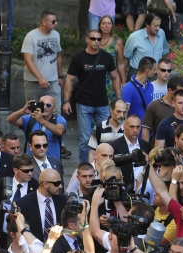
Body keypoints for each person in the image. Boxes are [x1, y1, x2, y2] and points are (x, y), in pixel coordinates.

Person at [63, 30, 120, 162]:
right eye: (93, 39)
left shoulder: (106, 57)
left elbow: (115, 77)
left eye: (99, 39)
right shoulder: (78, 58)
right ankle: (85, 167)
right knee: (84, 139)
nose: (96, 41)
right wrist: (66, 101)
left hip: (102, 103)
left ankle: (105, 165)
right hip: (84, 103)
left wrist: (119, 99)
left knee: (107, 137)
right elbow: (69, 79)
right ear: (87, 39)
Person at [21, 11, 63, 115]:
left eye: (56, 21)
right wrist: (40, 78)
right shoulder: (31, 36)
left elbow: (58, 56)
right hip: (34, 83)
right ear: (44, 22)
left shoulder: (56, 35)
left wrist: (60, 76)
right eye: (53, 21)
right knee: (36, 113)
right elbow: (28, 60)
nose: (56, 23)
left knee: (56, 113)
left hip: (52, 82)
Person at [7, 96, 66, 160]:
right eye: (42, 104)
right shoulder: (31, 118)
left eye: (48, 105)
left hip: (52, 162)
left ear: (54, 108)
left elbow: (59, 131)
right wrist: (22, 111)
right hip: (31, 162)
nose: (44, 107)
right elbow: (10, 120)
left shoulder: (58, 119)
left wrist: (42, 121)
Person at [141, 75, 183, 144]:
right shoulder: (154, 106)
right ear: (170, 90)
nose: (182, 95)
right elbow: (146, 130)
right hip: (159, 149)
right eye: (179, 92)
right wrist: (145, 148)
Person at [110, 114, 151, 188]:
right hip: (124, 188)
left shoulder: (145, 145)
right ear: (124, 127)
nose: (135, 130)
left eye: (138, 127)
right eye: (132, 127)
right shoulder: (115, 146)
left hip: (143, 188)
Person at [123, 13, 168, 79]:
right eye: (155, 26)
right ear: (147, 25)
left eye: (159, 25)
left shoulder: (161, 33)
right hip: (138, 74)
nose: (158, 28)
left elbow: (164, 52)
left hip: (155, 75)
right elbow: (126, 57)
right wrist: (123, 80)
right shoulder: (134, 37)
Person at [97, 16, 126, 101]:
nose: (106, 26)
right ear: (99, 26)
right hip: (96, 77)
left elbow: (120, 64)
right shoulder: (95, 40)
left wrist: (123, 83)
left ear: (112, 26)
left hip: (112, 78)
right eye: (104, 23)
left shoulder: (118, 42)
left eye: (109, 23)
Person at [121, 56, 155, 121]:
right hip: (134, 126)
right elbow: (124, 114)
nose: (155, 72)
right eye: (154, 69)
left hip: (147, 127)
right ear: (148, 70)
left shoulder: (150, 86)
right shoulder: (128, 88)